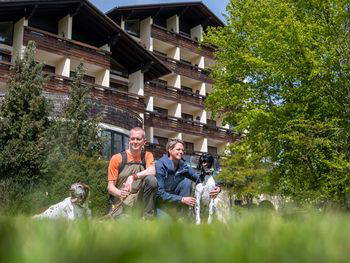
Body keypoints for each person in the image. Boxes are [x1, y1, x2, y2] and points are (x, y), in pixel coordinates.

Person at [155, 138, 221, 218]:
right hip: (162, 201)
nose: (181, 152)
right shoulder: (160, 165)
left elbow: (199, 178)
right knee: (165, 226)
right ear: (170, 150)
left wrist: (217, 187)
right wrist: (182, 199)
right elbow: (159, 194)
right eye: (178, 149)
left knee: (186, 182)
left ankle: (182, 216)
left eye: (182, 150)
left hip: (178, 201)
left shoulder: (183, 166)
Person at [107, 127, 157, 218]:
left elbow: (152, 171)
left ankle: (148, 218)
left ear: (144, 142)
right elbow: (110, 187)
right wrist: (120, 192)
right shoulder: (117, 158)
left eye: (138, 139)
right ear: (129, 140)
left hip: (139, 202)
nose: (135, 141)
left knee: (151, 180)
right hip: (121, 204)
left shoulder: (147, 156)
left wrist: (133, 177)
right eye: (133, 138)